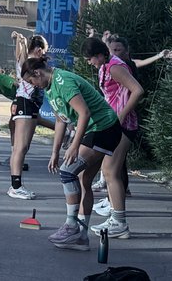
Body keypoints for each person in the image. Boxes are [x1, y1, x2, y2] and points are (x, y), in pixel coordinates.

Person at [21, 56, 130, 250]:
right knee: (83, 180)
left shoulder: (63, 82)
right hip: (95, 130)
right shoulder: (49, 89)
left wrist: (74, 144)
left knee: (67, 171)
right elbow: (61, 121)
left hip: (103, 128)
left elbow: (84, 113)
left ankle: (71, 225)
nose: (33, 85)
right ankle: (81, 237)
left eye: (31, 81)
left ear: (37, 73)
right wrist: (54, 152)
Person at [92, 33, 172, 195]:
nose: (114, 52)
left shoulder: (120, 67)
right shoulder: (107, 67)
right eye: (112, 49)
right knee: (111, 168)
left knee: (113, 169)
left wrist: (121, 116)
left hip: (123, 121)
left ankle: (116, 209)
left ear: (127, 51)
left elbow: (137, 90)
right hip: (111, 120)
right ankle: (113, 202)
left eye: (118, 49)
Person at [0, 32, 56, 199]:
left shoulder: (35, 62)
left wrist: (19, 39)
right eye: (44, 49)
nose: (45, 52)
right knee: (20, 148)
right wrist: (19, 41)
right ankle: (15, 187)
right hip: (24, 102)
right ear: (38, 49)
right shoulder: (27, 61)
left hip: (30, 104)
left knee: (24, 148)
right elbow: (21, 53)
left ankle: (17, 185)